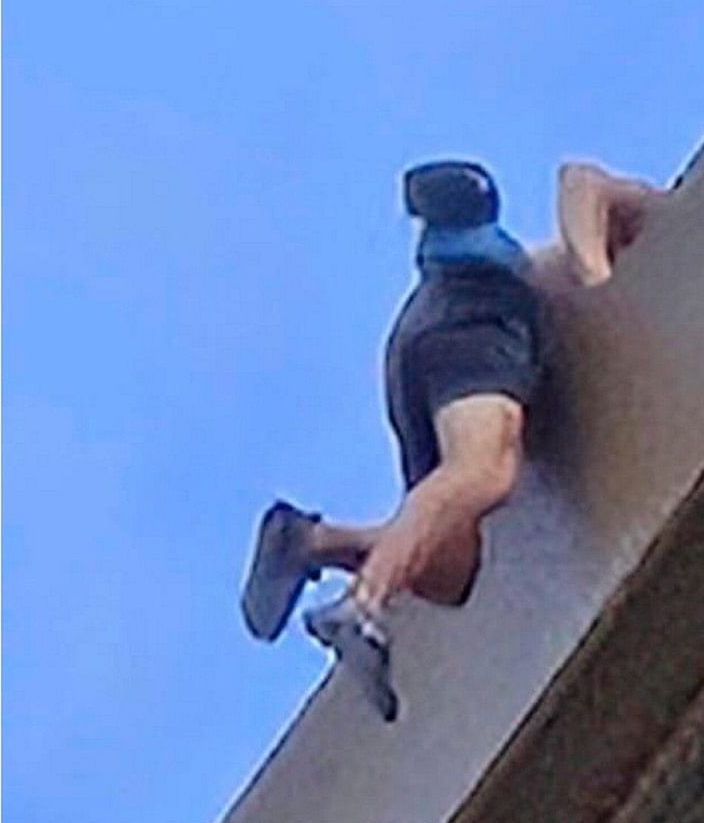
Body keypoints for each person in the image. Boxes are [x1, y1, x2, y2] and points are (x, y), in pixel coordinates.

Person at [240, 157, 664, 719]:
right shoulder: (628, 225)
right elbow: (578, 179)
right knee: (485, 471)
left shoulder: (516, 263)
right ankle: (363, 607)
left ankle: (311, 542)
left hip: (425, 335)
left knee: (448, 572)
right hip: (475, 323)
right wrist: (596, 278)